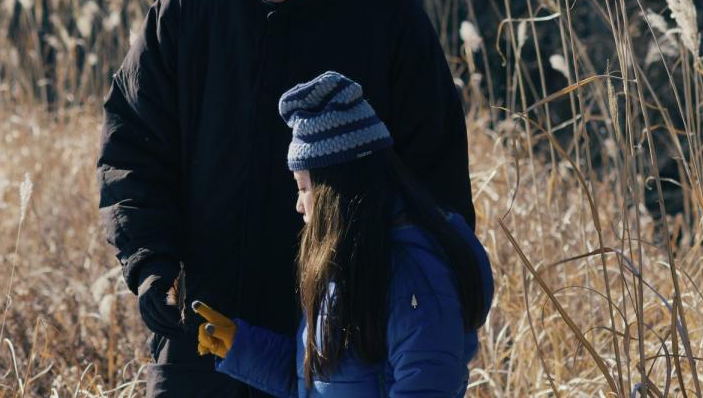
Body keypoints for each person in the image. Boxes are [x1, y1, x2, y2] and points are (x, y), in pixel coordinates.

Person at [97, 0, 473, 397]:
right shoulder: (184, 15)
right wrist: (149, 262)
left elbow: (433, 173)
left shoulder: (386, 16)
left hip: (343, 330)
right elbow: (131, 151)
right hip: (205, 324)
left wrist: (420, 293)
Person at [193, 71, 494, 397]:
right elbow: (317, 383)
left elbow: (428, 387)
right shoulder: (349, 264)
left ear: (334, 190)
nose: (298, 204)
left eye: (304, 187)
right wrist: (241, 347)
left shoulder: (414, 273)